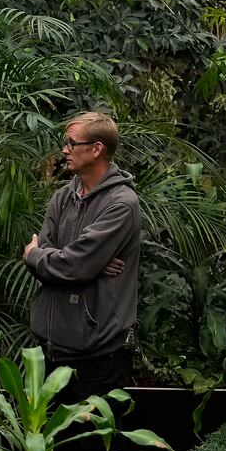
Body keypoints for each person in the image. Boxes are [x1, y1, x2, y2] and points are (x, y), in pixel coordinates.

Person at [22, 111, 141, 400]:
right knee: (47, 443)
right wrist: (82, 263)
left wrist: (36, 255)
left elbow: (73, 265)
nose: (64, 150)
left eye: (71, 143)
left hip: (96, 358)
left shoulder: (121, 204)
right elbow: (66, 263)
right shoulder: (62, 197)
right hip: (49, 349)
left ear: (96, 149)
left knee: (90, 444)